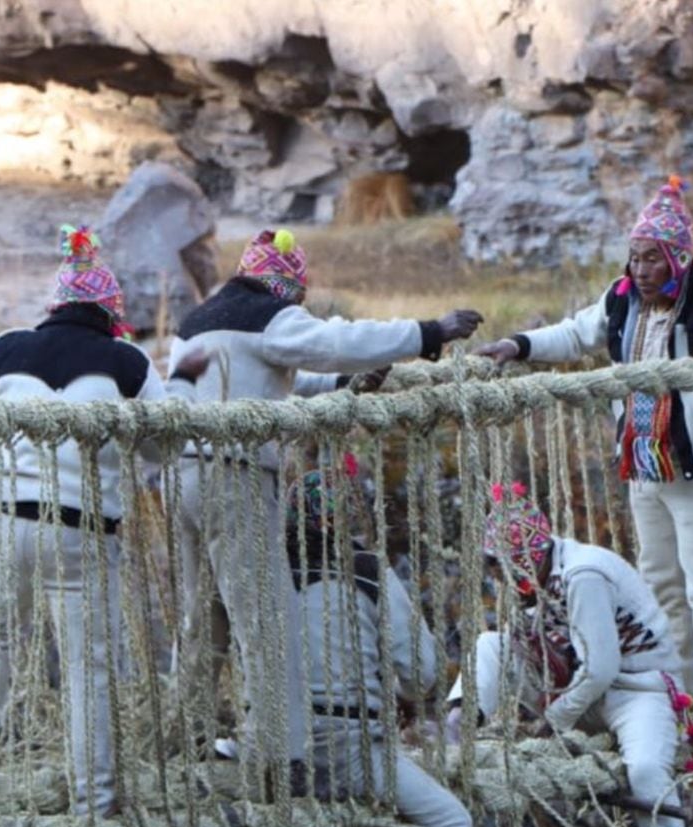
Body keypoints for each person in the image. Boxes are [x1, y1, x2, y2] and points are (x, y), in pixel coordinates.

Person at [472, 178, 693, 728]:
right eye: (635, 258)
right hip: (644, 469)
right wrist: (518, 346)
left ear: (679, 259)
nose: (641, 270)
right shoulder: (620, 301)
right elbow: (576, 334)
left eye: (652, 259)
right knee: (662, 582)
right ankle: (675, 691)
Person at [163, 228, 482, 772]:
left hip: (184, 477)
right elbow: (335, 340)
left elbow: (277, 379)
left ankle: (182, 733)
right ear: (287, 287)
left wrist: (341, 384)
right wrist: (429, 331)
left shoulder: (202, 320)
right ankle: (279, 753)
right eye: (301, 297)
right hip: (235, 476)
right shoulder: (268, 315)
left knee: (204, 615)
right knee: (266, 615)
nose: (303, 306)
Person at [0, 225, 165, 816]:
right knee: (87, 664)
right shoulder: (128, 363)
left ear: (53, 307)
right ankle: (92, 803)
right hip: (83, 532)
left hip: (5, 523)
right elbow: (165, 442)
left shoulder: (7, 349)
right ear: (110, 314)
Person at [191, 461, 473, 827]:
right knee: (450, 824)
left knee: (209, 783)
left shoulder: (250, 572)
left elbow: (204, 655)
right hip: (354, 750)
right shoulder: (368, 571)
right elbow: (425, 673)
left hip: (271, 746)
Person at [447, 484, 693, 827]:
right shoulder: (531, 581)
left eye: (504, 568)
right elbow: (534, 644)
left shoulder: (583, 574)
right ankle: (456, 733)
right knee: (490, 646)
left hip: (635, 689)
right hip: (571, 685)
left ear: (530, 557)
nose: (499, 578)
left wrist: (553, 721)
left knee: (645, 768)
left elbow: (602, 669)